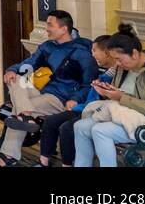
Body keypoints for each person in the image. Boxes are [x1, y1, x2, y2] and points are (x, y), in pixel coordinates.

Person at [0, 9, 98, 166]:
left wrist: (75, 99)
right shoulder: (48, 47)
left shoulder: (82, 53)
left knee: (16, 112)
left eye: (50, 25)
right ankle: (25, 115)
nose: (47, 29)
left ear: (64, 29)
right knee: (16, 79)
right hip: (42, 92)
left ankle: (9, 156)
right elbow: (30, 63)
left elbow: (89, 83)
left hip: (60, 98)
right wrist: (12, 69)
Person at [74, 30, 145, 167]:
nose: (117, 64)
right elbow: (121, 96)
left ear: (134, 53)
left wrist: (121, 97)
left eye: (119, 59)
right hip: (129, 117)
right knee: (80, 126)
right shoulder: (124, 68)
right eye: (115, 60)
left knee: (100, 130)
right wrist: (106, 91)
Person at [33, 27, 131, 166]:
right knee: (51, 121)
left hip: (98, 111)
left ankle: (67, 163)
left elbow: (106, 98)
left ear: (107, 52)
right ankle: (44, 160)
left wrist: (99, 91)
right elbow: (91, 92)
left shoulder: (120, 72)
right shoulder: (108, 72)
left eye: (94, 50)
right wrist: (78, 102)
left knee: (67, 128)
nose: (92, 54)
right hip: (87, 107)